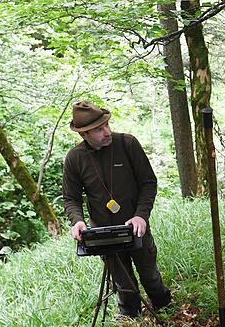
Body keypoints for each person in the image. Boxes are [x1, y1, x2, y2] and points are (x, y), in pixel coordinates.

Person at [62, 100, 171, 319]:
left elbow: (148, 183)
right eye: (98, 129)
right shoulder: (75, 158)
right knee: (122, 281)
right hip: (103, 233)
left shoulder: (127, 144)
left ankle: (164, 306)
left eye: (107, 125)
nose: (106, 132)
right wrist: (77, 221)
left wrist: (141, 216)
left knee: (149, 274)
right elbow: (71, 198)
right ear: (84, 135)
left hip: (135, 228)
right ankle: (130, 315)